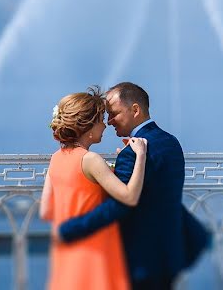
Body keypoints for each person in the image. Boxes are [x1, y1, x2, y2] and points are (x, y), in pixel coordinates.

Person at [57, 82, 208, 290]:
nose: (109, 122)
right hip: (170, 253)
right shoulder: (171, 142)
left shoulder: (134, 152)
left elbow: (120, 205)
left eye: (114, 114)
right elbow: (159, 194)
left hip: (140, 258)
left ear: (135, 110)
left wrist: (71, 229)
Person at [40, 86, 148, 290]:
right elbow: (130, 197)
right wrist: (140, 156)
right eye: (100, 119)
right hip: (94, 248)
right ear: (88, 127)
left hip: (66, 249)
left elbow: (46, 210)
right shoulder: (91, 160)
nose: (105, 125)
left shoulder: (56, 159)